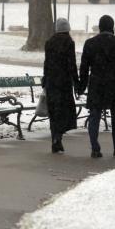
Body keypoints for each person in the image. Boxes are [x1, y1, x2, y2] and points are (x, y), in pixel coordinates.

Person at [78, 15, 115, 158]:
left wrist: (81, 86)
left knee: (94, 115)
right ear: (112, 27)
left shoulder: (90, 43)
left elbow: (84, 68)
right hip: (114, 84)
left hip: (96, 84)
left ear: (100, 27)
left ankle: (95, 148)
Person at [43, 18, 79, 153]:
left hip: (52, 82)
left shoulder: (49, 43)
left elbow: (46, 63)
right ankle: (58, 138)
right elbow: (71, 64)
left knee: (54, 112)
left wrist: (45, 79)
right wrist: (76, 81)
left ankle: (55, 139)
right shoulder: (69, 42)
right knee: (64, 112)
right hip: (64, 83)